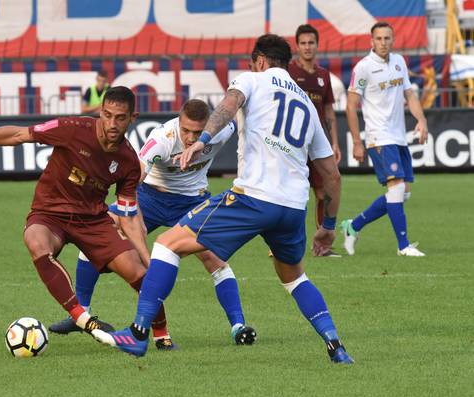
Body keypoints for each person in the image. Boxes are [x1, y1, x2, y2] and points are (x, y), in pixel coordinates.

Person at [93, 34, 354, 364]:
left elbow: (227, 107)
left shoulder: (252, 80)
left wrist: (202, 139)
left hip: (253, 198)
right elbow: (332, 174)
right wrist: (328, 226)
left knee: (167, 245)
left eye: (251, 62)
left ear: (260, 61)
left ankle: (139, 332)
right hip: (292, 207)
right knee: (295, 277)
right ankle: (335, 345)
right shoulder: (305, 102)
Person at [0, 86, 175, 348]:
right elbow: (19, 135)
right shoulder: (72, 128)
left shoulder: (129, 161)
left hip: (93, 221)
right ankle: (84, 320)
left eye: (120, 117)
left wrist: (146, 257)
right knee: (36, 243)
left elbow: (129, 216)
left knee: (139, 274)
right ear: (100, 111)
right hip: (50, 213)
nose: (112, 123)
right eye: (107, 115)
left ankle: (162, 335)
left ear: (133, 117)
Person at [49, 99, 256, 345]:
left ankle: (238, 326)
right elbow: (134, 177)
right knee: (101, 231)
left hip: (193, 200)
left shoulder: (222, 130)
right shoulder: (162, 139)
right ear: (178, 122)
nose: (190, 138)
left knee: (214, 258)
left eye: (197, 132)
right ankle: (80, 312)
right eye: (186, 130)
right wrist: (133, 218)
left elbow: (237, 117)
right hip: (151, 197)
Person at [342, 22, 428, 257]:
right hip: (378, 137)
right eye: (379, 39)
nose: (383, 42)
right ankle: (403, 246)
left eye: (387, 38)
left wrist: (422, 120)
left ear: (393, 40)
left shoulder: (399, 61)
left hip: (398, 136)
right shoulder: (363, 68)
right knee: (397, 188)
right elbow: (351, 106)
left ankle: (353, 226)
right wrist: (357, 142)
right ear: (372, 41)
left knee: (402, 193)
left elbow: (409, 94)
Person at [289, 24, 341, 257]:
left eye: (311, 43)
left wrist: (335, 143)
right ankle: (280, 245)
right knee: (290, 194)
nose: (307, 47)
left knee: (322, 193)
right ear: (297, 46)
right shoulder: (288, 73)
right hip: (293, 143)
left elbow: (329, 111)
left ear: (317, 45)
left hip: (317, 144)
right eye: (303, 43)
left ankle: (322, 245)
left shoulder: (323, 75)